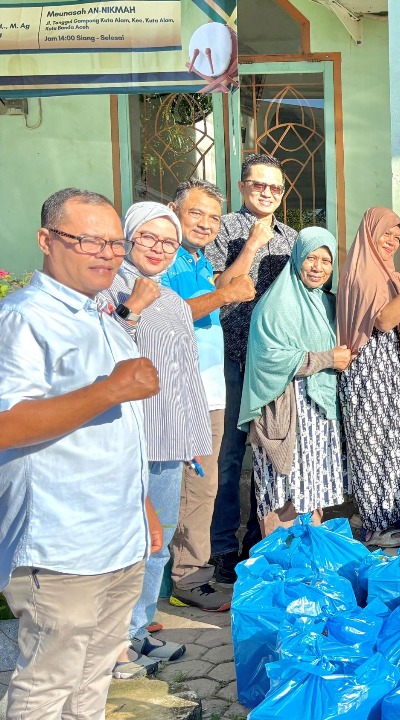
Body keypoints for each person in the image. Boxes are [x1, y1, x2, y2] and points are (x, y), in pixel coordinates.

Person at [0, 188, 161, 716]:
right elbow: (5, 424)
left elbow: (120, 434)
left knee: (93, 678)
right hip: (62, 545)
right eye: (88, 240)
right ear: (47, 240)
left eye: (115, 242)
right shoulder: (23, 318)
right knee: (46, 685)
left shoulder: (100, 314)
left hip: (118, 535)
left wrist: (144, 509)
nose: (107, 254)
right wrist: (107, 390)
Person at [99, 202, 213, 674]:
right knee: (119, 542)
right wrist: (131, 309)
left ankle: (137, 631)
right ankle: (111, 645)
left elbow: (185, 374)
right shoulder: (106, 289)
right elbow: (98, 357)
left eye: (168, 242)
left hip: (166, 443)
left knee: (155, 543)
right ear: (127, 238)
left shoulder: (170, 300)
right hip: (121, 441)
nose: (159, 249)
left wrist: (193, 436)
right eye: (148, 238)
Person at [160, 180, 253, 613]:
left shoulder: (196, 260)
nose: (206, 223)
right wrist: (225, 294)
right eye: (197, 213)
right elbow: (169, 313)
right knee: (186, 487)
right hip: (180, 391)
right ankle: (184, 579)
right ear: (172, 209)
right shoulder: (165, 258)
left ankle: (190, 575)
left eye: (214, 217)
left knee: (204, 485)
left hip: (208, 390)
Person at [205, 153, 298, 582]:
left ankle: (256, 542)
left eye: (275, 187)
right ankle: (220, 548)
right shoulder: (221, 229)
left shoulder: (292, 238)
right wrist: (251, 247)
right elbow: (217, 289)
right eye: (259, 185)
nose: (266, 193)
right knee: (228, 457)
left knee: (269, 453)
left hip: (273, 364)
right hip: (231, 356)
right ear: (243, 187)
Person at [241, 227, 350, 536]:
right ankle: (278, 567)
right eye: (311, 258)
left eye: (326, 261)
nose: (318, 267)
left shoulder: (325, 302)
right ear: (297, 258)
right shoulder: (276, 305)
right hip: (287, 409)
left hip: (319, 411)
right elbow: (270, 359)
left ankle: (308, 567)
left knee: (314, 489)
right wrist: (327, 359)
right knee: (282, 492)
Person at [336, 208, 400, 547]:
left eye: (394, 236)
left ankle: (386, 516)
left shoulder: (381, 271)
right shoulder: (363, 275)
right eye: (386, 235)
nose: (389, 242)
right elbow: (384, 320)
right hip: (369, 370)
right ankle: (375, 525)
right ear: (368, 234)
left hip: (386, 367)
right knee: (376, 448)